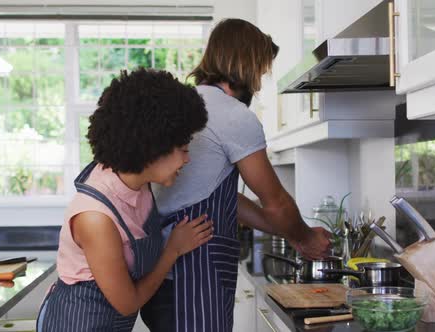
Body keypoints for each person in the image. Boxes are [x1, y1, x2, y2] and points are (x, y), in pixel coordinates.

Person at [140, 18, 332, 332]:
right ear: (245, 64)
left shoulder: (190, 103)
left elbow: (226, 198)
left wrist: (290, 235)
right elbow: (277, 203)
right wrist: (306, 238)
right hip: (190, 279)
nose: (258, 82)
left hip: (164, 277)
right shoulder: (232, 116)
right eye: (260, 71)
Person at [36, 68, 212, 332]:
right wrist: (173, 250)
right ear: (153, 147)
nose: (187, 159)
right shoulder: (95, 218)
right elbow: (127, 303)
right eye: (184, 149)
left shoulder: (138, 184)